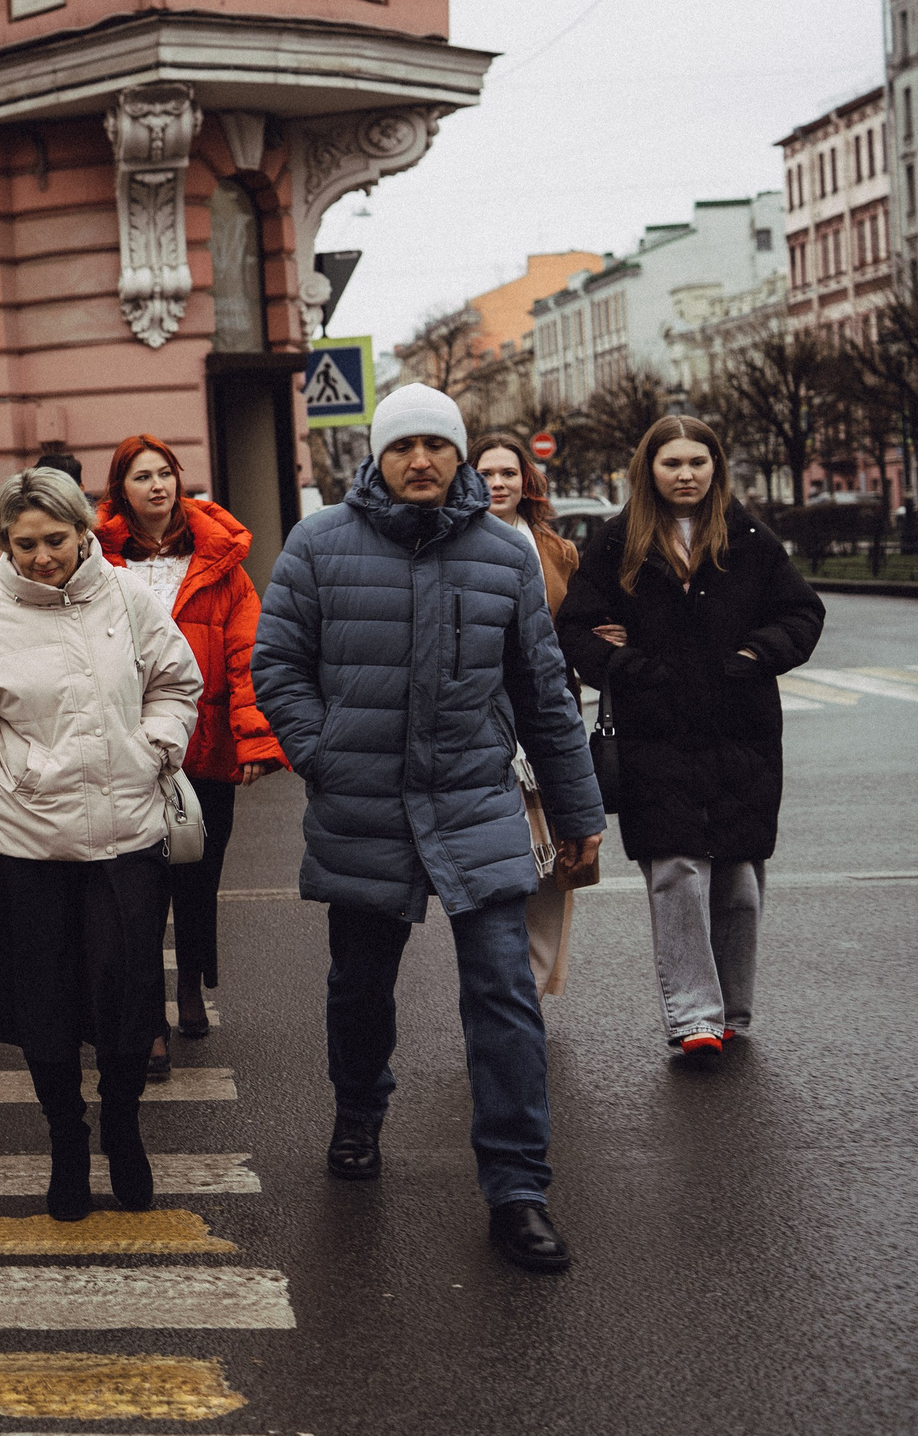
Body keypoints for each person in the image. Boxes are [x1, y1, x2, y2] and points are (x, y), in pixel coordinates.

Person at [252, 383, 603, 1276]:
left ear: (458, 457)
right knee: (361, 985)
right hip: (363, 802)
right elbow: (278, 662)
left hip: (473, 799)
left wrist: (577, 814)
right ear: (378, 454)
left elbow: (542, 694)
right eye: (403, 444)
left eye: (435, 446)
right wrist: (321, 751)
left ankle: (519, 1190)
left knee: (502, 992)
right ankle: (359, 1110)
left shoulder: (502, 553)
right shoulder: (319, 542)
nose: (420, 460)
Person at [0, 467, 201, 1224]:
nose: (42, 556)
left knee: (127, 1005)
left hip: (128, 839)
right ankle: (66, 1139)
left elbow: (176, 682)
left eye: (55, 538)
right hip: (29, 846)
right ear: (4, 547)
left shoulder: (129, 599)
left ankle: (122, 1125)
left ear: (83, 529)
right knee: (47, 1013)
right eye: (23, 544)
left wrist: (157, 741)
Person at [555, 416, 823, 1065]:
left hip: (742, 730)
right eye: (671, 462)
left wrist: (757, 653)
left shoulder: (749, 537)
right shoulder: (619, 539)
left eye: (697, 461)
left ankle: (730, 1010)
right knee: (675, 869)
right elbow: (576, 627)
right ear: (649, 468)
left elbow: (803, 613)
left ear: (715, 466)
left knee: (736, 878)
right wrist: (623, 666)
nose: (685, 474)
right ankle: (693, 1016)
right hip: (657, 732)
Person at [93, 436, 285, 1081]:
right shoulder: (98, 560)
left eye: (165, 474)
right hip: (127, 748)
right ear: (121, 490)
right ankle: (148, 1019)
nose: (157, 486)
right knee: (135, 892)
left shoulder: (220, 562)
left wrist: (256, 738)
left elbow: (246, 653)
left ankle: (191, 987)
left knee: (197, 883)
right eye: (141, 477)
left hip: (203, 749)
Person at [470, 432, 589, 999]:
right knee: (502, 859)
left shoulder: (556, 549)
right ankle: (504, 988)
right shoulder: (455, 543)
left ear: (526, 482)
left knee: (555, 863)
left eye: (508, 473)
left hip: (544, 719)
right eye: (487, 473)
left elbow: (580, 627)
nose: (498, 483)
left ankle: (535, 987)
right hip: (485, 726)